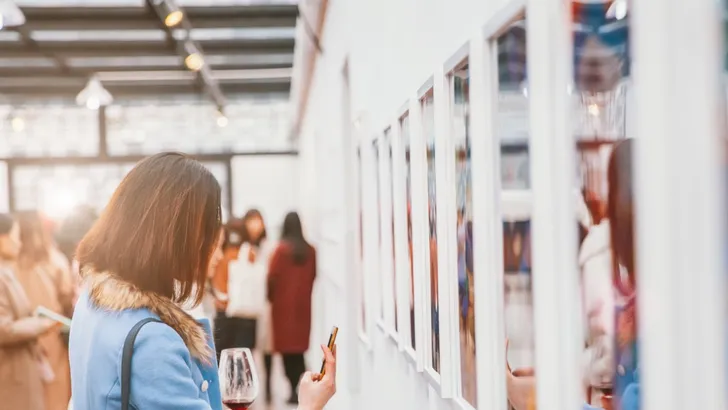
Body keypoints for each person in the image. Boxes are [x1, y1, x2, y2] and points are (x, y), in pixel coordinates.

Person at [68, 152, 336, 410]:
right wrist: (308, 406)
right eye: (208, 235)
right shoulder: (153, 342)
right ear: (176, 237)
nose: (216, 253)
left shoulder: (92, 299)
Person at [15, 211, 74, 410]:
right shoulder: (55, 260)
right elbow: (67, 294)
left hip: (20, 337)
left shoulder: (7, 264)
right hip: (52, 335)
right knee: (54, 393)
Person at [0, 212, 58, 410]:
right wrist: (39, 325)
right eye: (15, 236)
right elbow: (3, 329)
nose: (19, 243)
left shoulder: (6, 271)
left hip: (22, 367)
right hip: (9, 373)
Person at [217, 209, 274, 402]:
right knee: (242, 361)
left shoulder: (222, 252)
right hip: (246, 313)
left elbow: (215, 282)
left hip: (225, 311)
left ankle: (224, 397)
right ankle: (240, 396)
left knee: (224, 361)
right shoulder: (247, 252)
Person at [268, 212, 317, 405]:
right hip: (303, 309)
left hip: (282, 310)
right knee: (299, 350)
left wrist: (272, 298)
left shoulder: (281, 251)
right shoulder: (311, 251)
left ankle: (294, 388)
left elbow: (271, 278)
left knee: (287, 351)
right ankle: (301, 387)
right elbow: (313, 277)